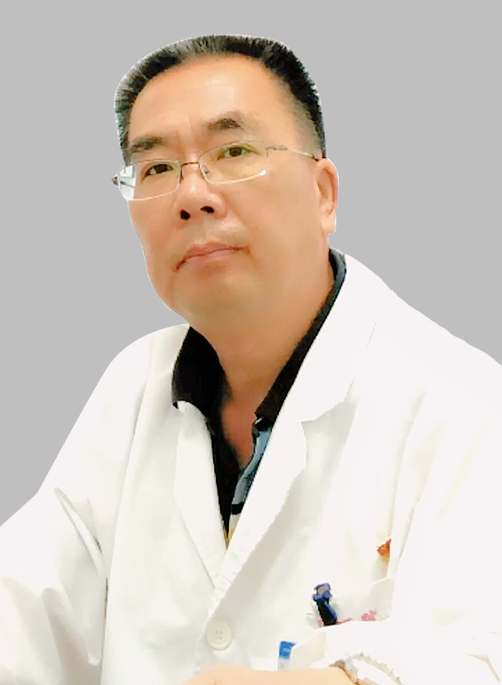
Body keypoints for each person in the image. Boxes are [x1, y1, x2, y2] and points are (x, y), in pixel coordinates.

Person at [0, 34, 501, 685]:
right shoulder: (134, 386)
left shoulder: (464, 403)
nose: (191, 195)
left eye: (233, 152)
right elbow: (22, 613)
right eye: (156, 169)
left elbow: (481, 656)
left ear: (323, 193)